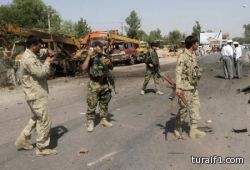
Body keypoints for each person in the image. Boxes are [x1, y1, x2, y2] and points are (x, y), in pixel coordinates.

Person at [15, 35, 57, 156]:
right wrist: (48, 62)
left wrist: (47, 51)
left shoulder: (32, 54)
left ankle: (23, 138)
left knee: (36, 117)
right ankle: (42, 148)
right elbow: (41, 73)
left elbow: (42, 52)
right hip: (35, 94)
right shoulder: (29, 59)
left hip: (35, 93)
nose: (41, 48)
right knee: (44, 120)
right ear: (33, 46)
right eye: (39, 46)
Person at [174, 35, 206, 139]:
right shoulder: (182, 56)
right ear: (193, 44)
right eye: (197, 43)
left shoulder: (192, 55)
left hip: (193, 87)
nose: (198, 45)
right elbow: (178, 72)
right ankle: (177, 127)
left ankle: (193, 131)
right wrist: (178, 87)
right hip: (185, 88)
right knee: (183, 110)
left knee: (196, 108)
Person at [82, 41, 113, 132]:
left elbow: (112, 67)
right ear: (93, 48)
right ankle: (90, 121)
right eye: (97, 46)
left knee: (104, 102)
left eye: (100, 46)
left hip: (104, 83)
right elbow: (83, 68)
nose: (99, 48)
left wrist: (109, 63)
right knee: (92, 103)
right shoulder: (90, 58)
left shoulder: (104, 56)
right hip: (94, 84)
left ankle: (103, 119)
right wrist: (88, 55)